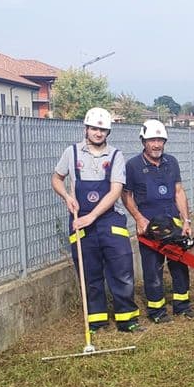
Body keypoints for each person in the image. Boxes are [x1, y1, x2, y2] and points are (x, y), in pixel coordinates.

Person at [51, 107, 144, 333]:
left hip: (109, 220)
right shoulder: (71, 153)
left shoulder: (115, 156)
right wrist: (67, 196)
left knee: (121, 270)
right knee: (89, 272)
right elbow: (56, 178)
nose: (98, 133)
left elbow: (115, 191)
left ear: (108, 132)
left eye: (102, 130)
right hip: (80, 220)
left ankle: (127, 319)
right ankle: (96, 321)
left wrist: (92, 216)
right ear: (86, 129)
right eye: (94, 128)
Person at [121, 119, 194, 324]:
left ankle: (182, 306)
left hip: (173, 223)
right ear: (143, 141)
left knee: (179, 266)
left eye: (160, 140)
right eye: (151, 140)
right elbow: (126, 195)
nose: (156, 144)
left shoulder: (171, 162)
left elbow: (179, 192)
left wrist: (186, 220)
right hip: (150, 227)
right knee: (152, 269)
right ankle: (157, 311)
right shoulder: (133, 166)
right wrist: (139, 219)